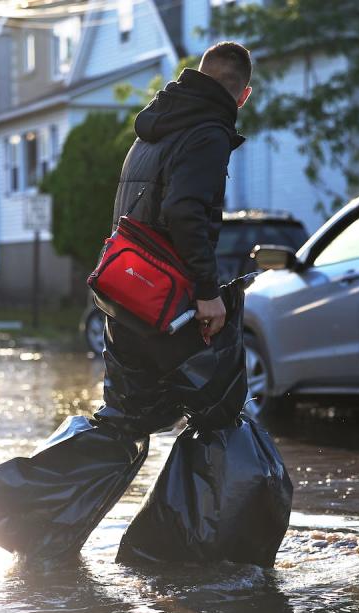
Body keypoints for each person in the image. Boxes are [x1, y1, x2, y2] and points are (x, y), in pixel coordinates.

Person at [95, 41, 253, 434]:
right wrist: (207, 292)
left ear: (199, 74)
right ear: (244, 95)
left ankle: (32, 490)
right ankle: (213, 497)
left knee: (122, 423)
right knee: (217, 412)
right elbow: (184, 213)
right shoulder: (207, 133)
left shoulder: (155, 126)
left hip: (125, 289)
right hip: (164, 301)